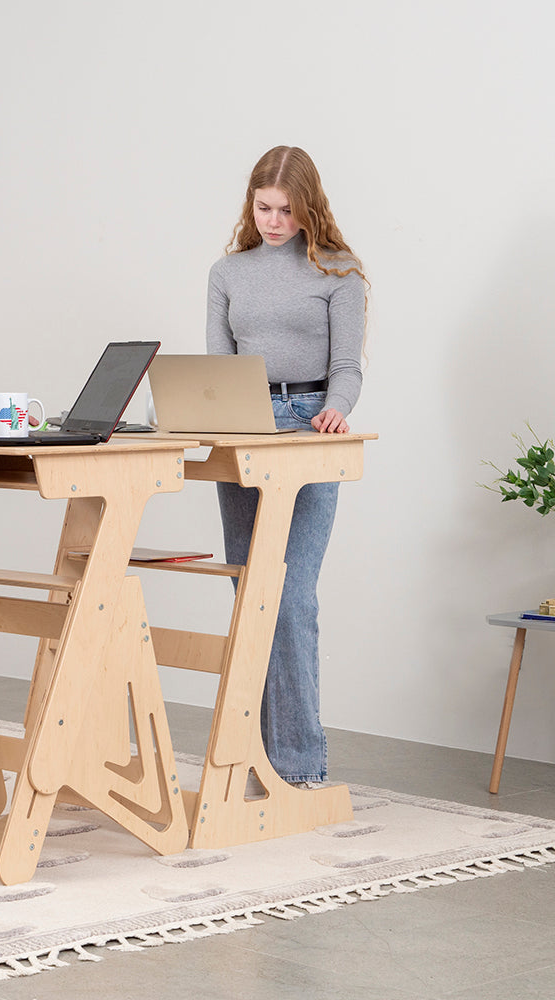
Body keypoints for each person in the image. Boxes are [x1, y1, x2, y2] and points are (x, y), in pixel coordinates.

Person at [205, 145, 366, 790]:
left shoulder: (340, 272)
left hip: (308, 425)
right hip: (243, 426)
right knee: (249, 590)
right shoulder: (227, 272)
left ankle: (298, 768)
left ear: (309, 207)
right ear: (251, 204)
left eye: (286, 209)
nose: (274, 220)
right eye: (263, 207)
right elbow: (218, 370)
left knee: (290, 595)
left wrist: (334, 410)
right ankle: (253, 762)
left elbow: (349, 368)